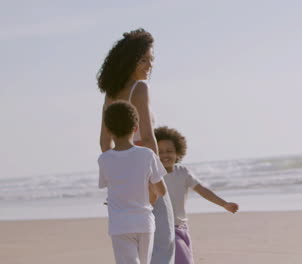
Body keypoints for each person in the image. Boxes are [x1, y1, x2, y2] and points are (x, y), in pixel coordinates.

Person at [97, 28, 175, 264]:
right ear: (130, 59)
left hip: (125, 181)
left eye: (152, 60)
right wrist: (152, 184)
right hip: (148, 171)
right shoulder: (139, 89)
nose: (149, 65)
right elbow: (150, 140)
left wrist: (122, 172)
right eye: (144, 59)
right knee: (164, 240)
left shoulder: (110, 94)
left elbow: (104, 143)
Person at [154, 126, 239, 264]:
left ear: (178, 152)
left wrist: (224, 204)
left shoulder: (183, 172)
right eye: (160, 152)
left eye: (169, 151)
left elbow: (203, 190)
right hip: (161, 229)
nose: (165, 155)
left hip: (180, 227)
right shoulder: (154, 175)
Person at [98, 101, 167, 264]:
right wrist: (151, 194)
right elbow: (162, 190)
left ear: (107, 130)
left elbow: (109, 186)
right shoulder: (148, 154)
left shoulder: (104, 159)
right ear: (135, 128)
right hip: (144, 222)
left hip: (120, 225)